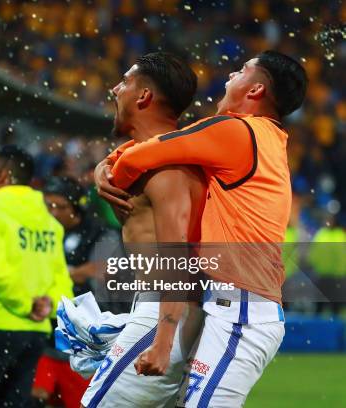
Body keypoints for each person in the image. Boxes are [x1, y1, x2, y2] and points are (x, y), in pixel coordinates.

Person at [96, 50, 307, 407]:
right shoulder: (268, 139)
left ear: (255, 89)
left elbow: (143, 154)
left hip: (241, 311)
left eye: (240, 70)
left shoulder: (236, 130)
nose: (228, 77)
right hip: (237, 306)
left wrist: (106, 174)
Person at [81, 52, 205, 408]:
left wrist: (163, 338)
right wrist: (102, 169)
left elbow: (177, 256)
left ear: (144, 97)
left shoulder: (166, 168)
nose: (113, 89)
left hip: (166, 310)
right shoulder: (150, 157)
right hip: (164, 307)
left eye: (124, 82)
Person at [0, 145, 74, 408]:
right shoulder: (48, 221)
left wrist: (25, 303)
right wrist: (49, 304)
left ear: (2, 175)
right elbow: (61, 278)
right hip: (32, 335)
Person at [33, 176, 119, 408]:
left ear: (77, 206)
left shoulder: (101, 233)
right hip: (46, 333)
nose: (51, 212)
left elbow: (101, 270)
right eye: (47, 206)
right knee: (37, 398)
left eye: (59, 207)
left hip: (84, 337)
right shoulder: (39, 230)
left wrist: (64, 274)